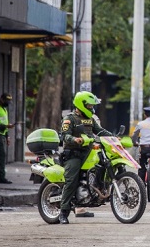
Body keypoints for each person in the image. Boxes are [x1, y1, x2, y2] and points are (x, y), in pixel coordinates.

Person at [58, 91, 109, 224]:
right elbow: (64, 135)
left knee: (103, 165)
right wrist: (75, 139)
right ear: (81, 105)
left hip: (88, 153)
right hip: (74, 154)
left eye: (92, 106)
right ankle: (63, 212)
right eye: (89, 106)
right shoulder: (70, 119)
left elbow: (100, 131)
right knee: (71, 181)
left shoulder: (90, 119)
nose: (91, 108)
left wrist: (113, 136)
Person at [0, 92, 15, 184]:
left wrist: (7, 135)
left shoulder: (4, 109)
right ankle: (0, 177)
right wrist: (6, 126)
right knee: (0, 156)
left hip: (2, 135)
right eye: (6, 101)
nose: (7, 103)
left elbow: (5, 122)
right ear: (2, 99)